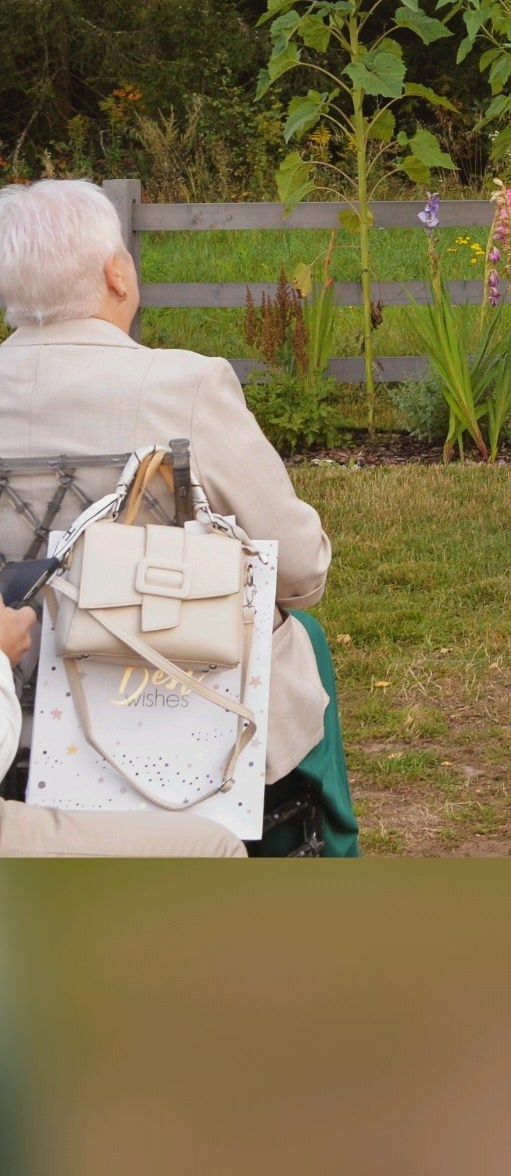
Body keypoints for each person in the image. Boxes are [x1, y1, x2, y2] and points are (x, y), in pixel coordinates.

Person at [0, 179, 337, 855]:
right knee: (304, 642)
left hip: (11, 706)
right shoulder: (184, 386)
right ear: (115, 273)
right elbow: (299, 570)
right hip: (166, 705)